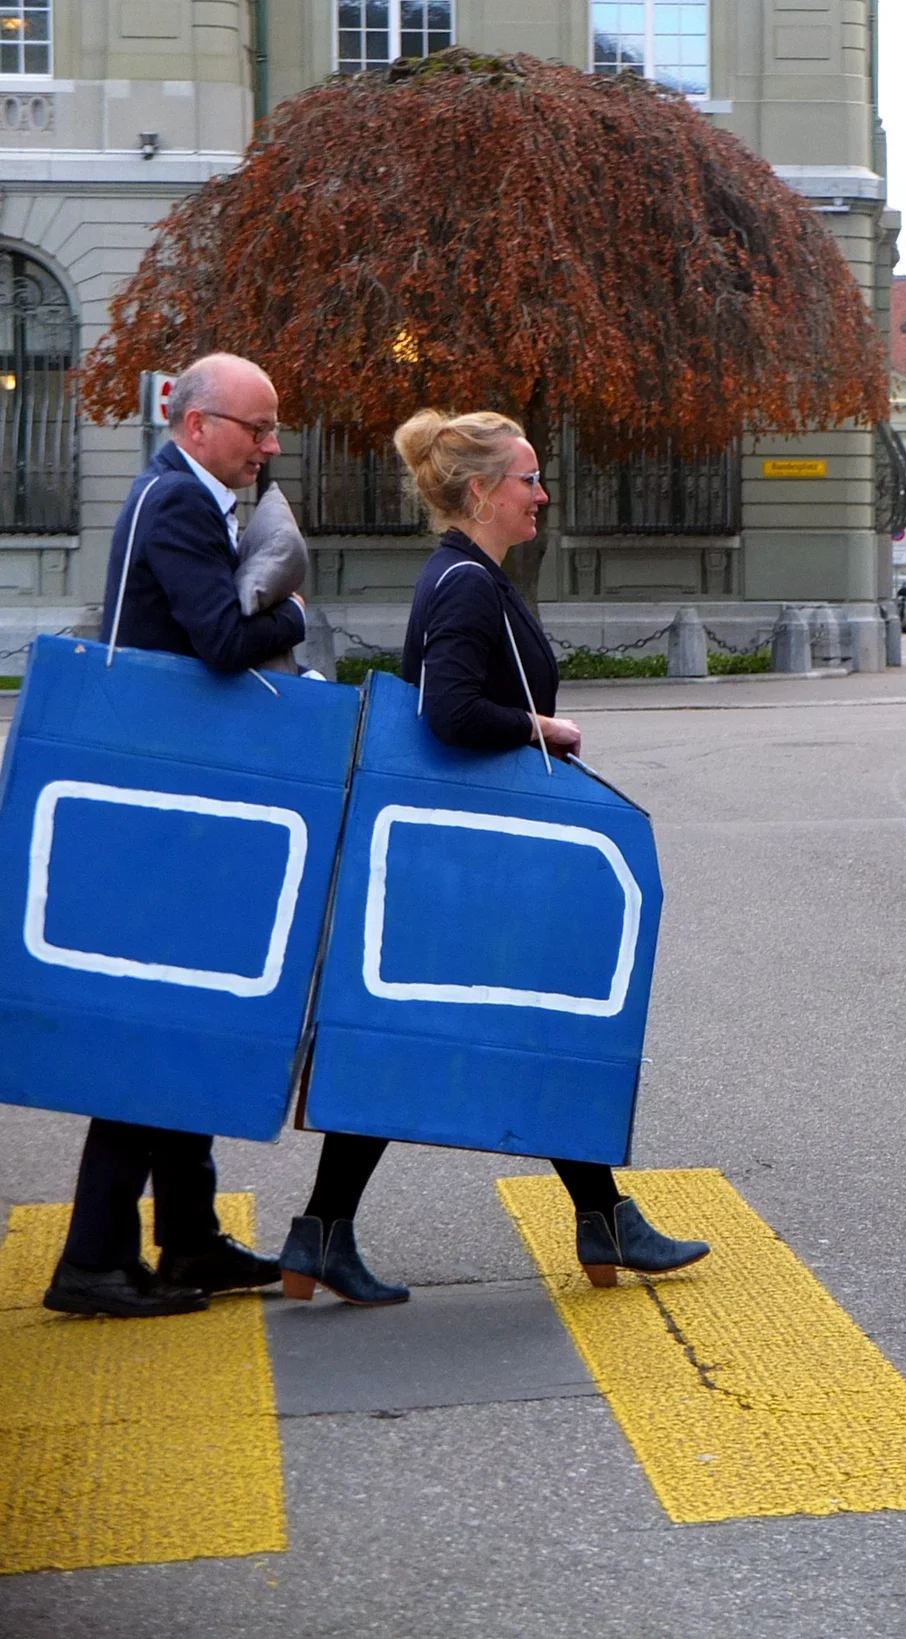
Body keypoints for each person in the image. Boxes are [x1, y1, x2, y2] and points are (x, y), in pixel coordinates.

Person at [278, 410, 709, 1305]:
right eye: (528, 479)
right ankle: (594, 1220)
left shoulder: (470, 575)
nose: (541, 493)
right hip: (474, 858)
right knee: (502, 1029)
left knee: (521, 1027)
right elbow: (447, 711)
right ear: (482, 491)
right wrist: (543, 727)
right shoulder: (468, 585)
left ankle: (593, 1217)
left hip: (476, 851)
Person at [43, 353, 299, 1318]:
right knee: (156, 1028)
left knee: (182, 1018)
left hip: (165, 797)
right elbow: (226, 646)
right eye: (257, 428)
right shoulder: (182, 506)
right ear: (198, 426)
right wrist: (298, 607)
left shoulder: (176, 494)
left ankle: (186, 1238)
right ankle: (93, 1261)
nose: (270, 447)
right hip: (164, 806)